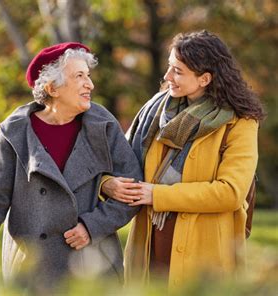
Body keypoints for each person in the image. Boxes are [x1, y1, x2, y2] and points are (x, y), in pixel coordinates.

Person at [0, 42, 143, 291]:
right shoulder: (15, 132)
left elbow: (133, 188)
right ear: (52, 88)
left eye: (88, 75)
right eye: (79, 76)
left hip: (92, 265)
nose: (90, 84)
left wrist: (92, 226)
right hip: (33, 268)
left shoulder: (103, 124)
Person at [101, 30, 265, 289]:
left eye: (177, 71)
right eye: (169, 67)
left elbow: (231, 192)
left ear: (205, 79)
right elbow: (117, 164)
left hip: (205, 254)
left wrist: (157, 195)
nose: (167, 77)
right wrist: (107, 184)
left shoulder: (240, 123)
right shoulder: (154, 113)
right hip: (149, 246)